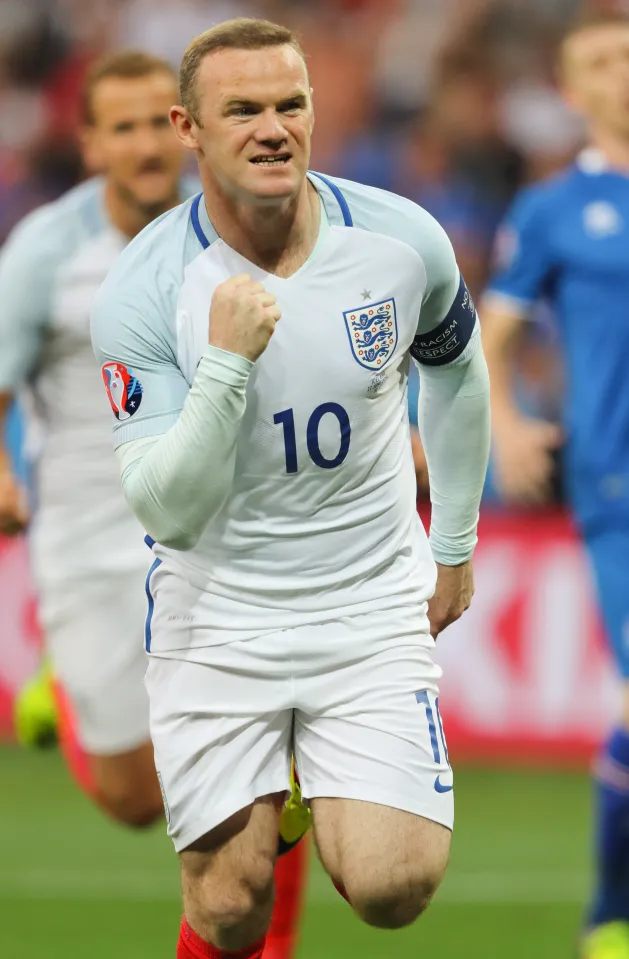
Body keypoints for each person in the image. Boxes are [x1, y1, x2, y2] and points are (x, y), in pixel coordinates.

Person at [91, 18, 490, 959]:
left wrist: (457, 542)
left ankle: (304, 783)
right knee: (230, 909)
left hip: (367, 604)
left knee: (395, 888)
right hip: (219, 615)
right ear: (189, 128)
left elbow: (460, 373)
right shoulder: (146, 290)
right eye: (243, 110)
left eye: (290, 104)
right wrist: (226, 367)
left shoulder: (399, 243)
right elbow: (168, 509)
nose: (273, 128)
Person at [0, 46, 308, 959]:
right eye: (120, 126)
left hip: (217, 533)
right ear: (92, 144)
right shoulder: (46, 253)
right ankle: (58, 682)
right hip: (93, 542)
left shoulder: (242, 226)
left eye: (153, 123)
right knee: (141, 803)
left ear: (182, 130)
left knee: (263, 770)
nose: (143, 144)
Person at [482, 12, 629, 959]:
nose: (624, 72)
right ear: (572, 92)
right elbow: (488, 339)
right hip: (615, 480)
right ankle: (608, 912)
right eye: (603, 62)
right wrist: (503, 421)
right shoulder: (549, 210)